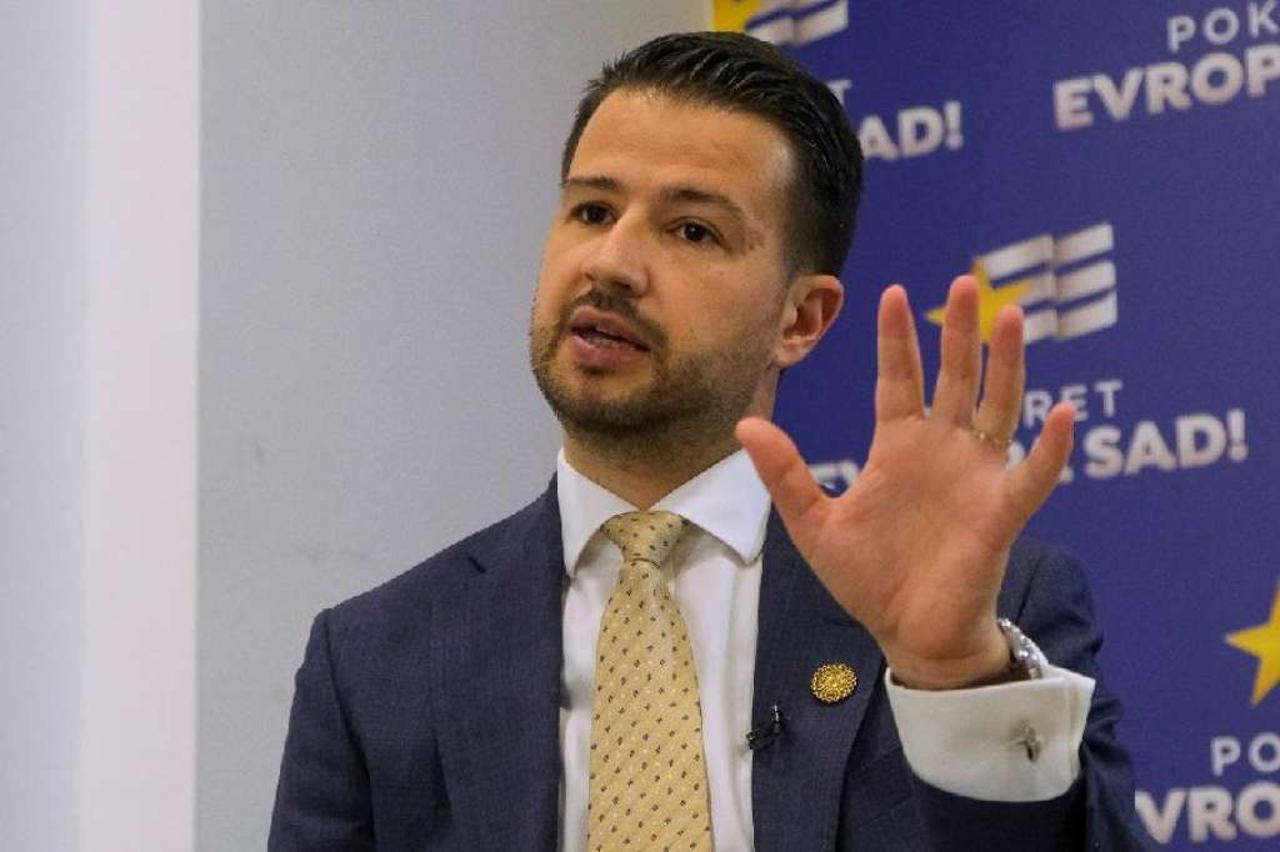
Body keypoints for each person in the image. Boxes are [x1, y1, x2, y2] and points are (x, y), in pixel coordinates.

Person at [269, 32, 1151, 851]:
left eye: (692, 230)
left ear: (799, 320)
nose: (610, 263)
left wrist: (954, 679)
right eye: (591, 211)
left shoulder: (992, 618)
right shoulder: (377, 659)